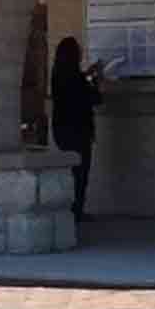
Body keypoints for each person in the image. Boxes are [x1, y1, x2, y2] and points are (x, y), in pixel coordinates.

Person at [49, 36, 101, 220]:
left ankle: (71, 210)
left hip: (61, 130)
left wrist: (87, 76)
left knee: (71, 173)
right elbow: (94, 99)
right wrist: (95, 80)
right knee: (80, 173)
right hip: (79, 131)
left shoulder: (57, 74)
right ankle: (76, 211)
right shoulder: (76, 78)